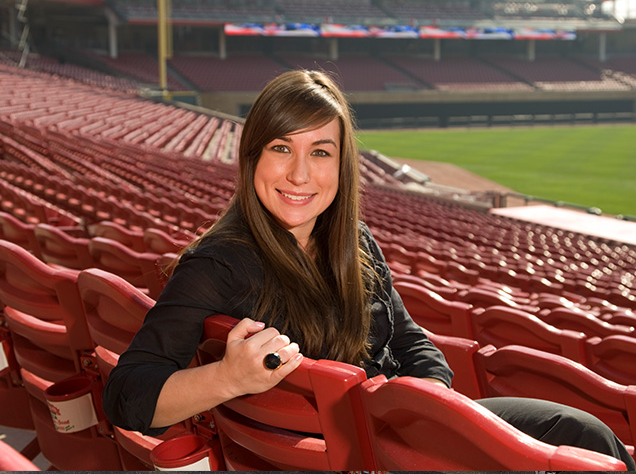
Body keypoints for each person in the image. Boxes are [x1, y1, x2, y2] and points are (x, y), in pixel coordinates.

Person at [102, 69, 635, 469]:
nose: (299, 174)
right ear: (251, 159)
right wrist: (226, 377)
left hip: (406, 430)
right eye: (281, 148)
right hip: (359, 454)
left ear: (343, 164)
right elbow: (126, 396)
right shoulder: (217, 264)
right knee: (580, 442)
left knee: (583, 433)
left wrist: (428, 411)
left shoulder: (352, 241)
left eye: (321, 153)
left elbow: (413, 343)